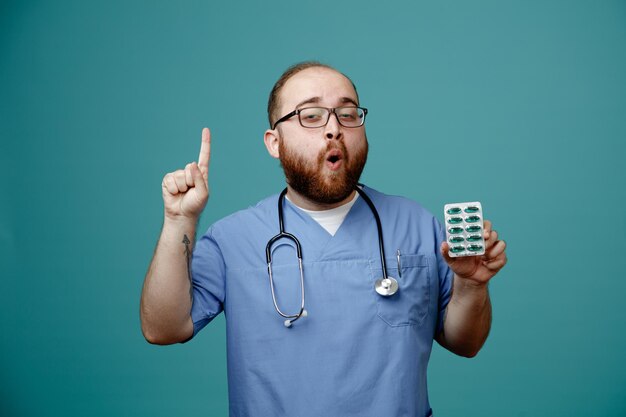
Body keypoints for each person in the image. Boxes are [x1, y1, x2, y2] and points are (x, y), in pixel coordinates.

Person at [140, 61, 507, 417]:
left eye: (347, 114)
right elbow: (163, 329)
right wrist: (179, 219)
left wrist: (472, 285)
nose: (334, 129)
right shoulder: (233, 239)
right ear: (274, 142)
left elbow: (466, 343)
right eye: (311, 116)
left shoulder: (417, 225)